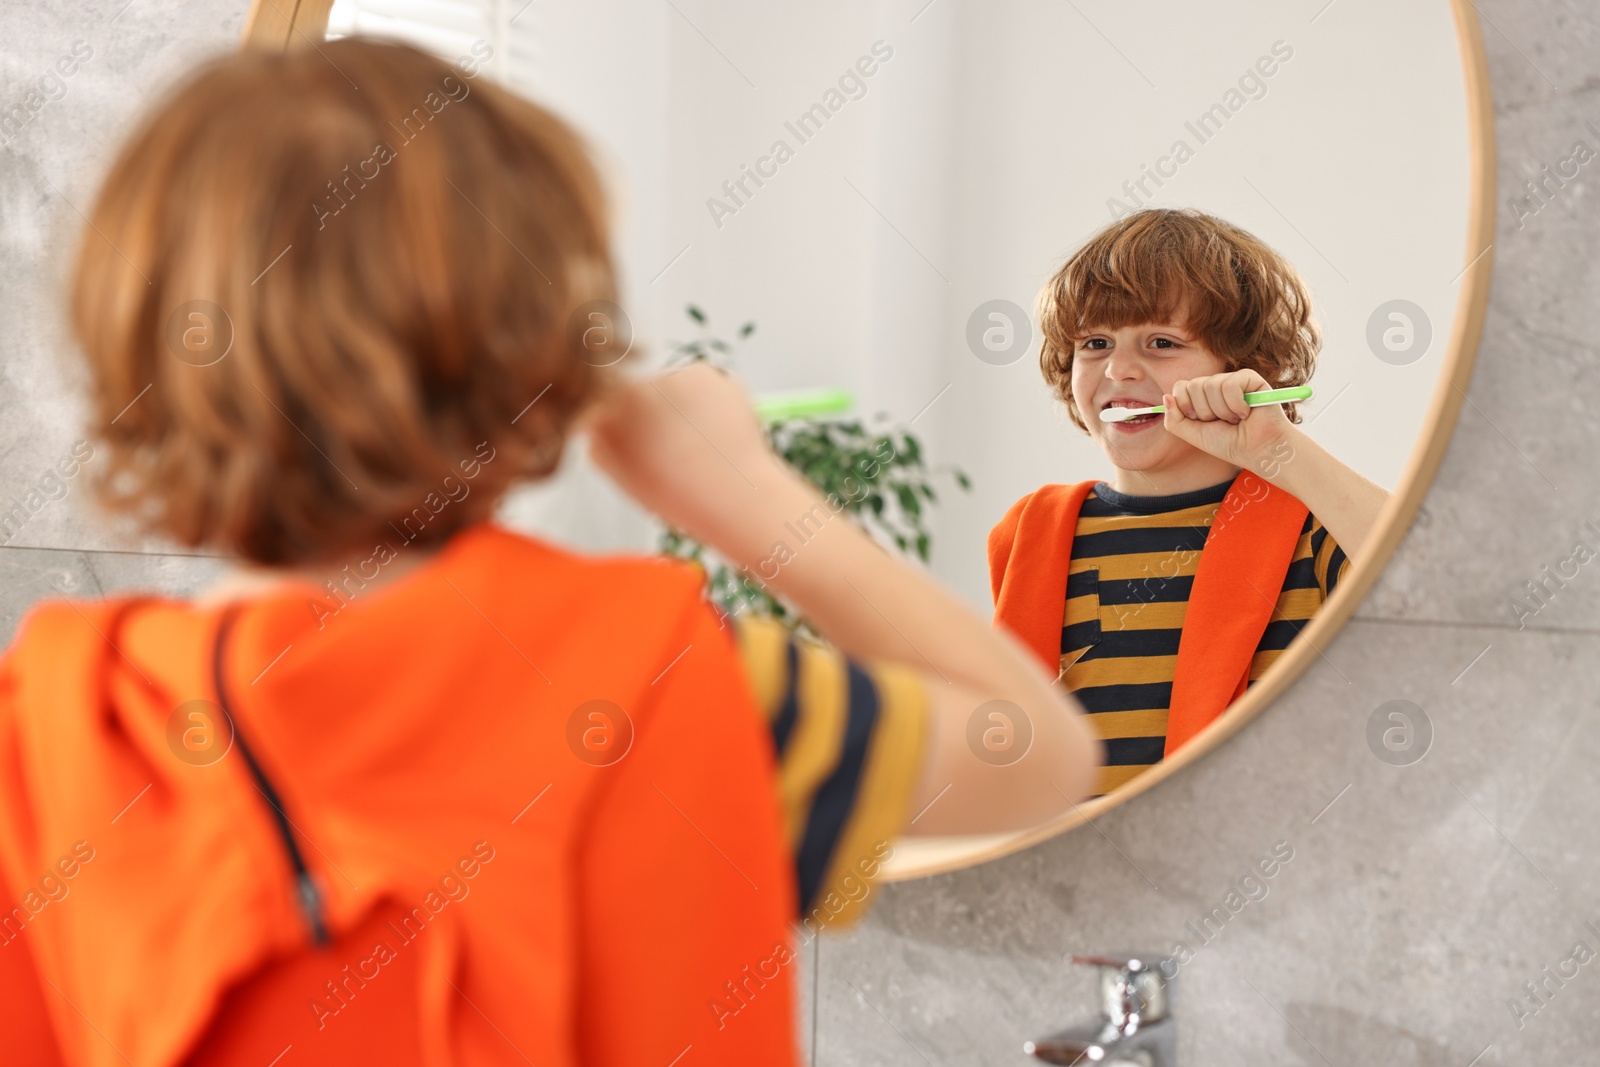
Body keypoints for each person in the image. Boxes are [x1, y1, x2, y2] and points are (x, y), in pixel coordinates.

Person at [0, 37, 1097, 1067]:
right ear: (540, 355)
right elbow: (1038, 754)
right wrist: (737, 490)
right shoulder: (652, 675)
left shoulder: (53, 725)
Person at [989, 208, 1389, 797]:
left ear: (1248, 368)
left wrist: (1279, 450)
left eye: (1162, 343)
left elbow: (1444, 576)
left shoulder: (1315, 526)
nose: (1119, 369)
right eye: (1095, 343)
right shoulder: (1031, 535)